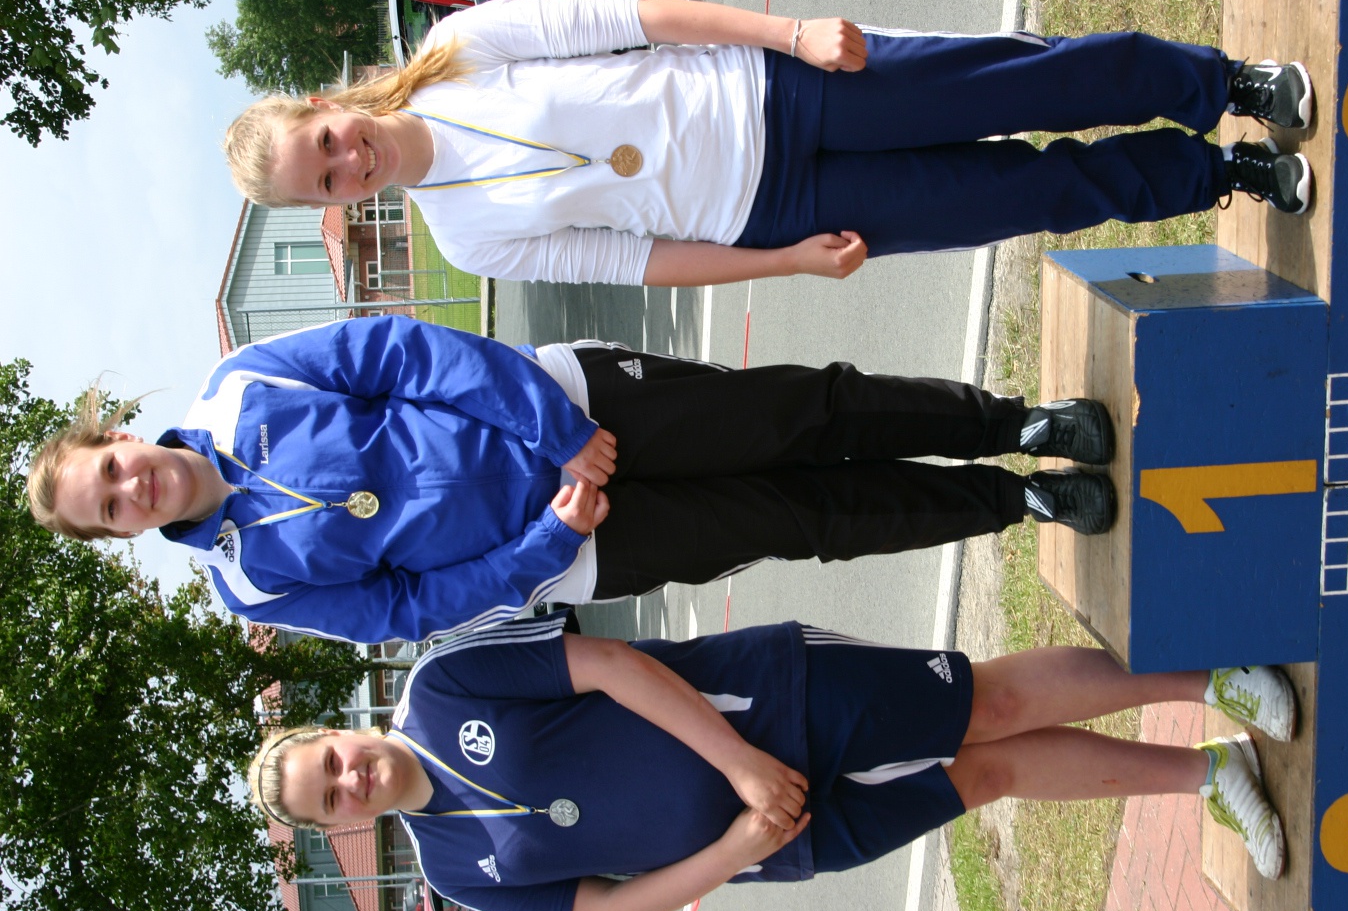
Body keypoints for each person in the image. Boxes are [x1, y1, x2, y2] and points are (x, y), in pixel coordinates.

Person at [27, 315, 1116, 646]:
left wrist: (557, 432)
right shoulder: (250, 585)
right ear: (123, 535)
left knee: (803, 412)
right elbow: (407, 607)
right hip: (580, 546)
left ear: (117, 434)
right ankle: (1013, 499)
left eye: (110, 469)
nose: (132, 489)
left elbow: (407, 355)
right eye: (111, 510)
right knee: (800, 519)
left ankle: (1013, 424)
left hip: (577, 405)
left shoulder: (241, 385)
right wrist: (547, 542)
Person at [248, 612, 1296, 911]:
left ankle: (1211, 678)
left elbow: (608, 665)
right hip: (773, 842)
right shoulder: (450, 869)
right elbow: (606, 910)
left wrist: (744, 765)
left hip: (768, 703)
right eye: (330, 800)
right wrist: (736, 848)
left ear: (334, 731)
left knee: (985, 706)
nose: (349, 778)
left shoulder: (439, 687)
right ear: (341, 825)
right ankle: (1206, 775)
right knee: (984, 779)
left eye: (329, 760)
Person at [223, 0, 1314, 287]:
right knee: (1022, 195)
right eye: (327, 181)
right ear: (332, 204)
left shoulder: (459, 48)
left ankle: (1222, 85)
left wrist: (788, 35)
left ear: (325, 106)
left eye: (327, 140)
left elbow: (638, 20)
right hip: (771, 211)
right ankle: (1221, 171)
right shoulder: (464, 241)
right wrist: (786, 260)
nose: (348, 161)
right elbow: (637, 263)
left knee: (1021, 83)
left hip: (779, 94)